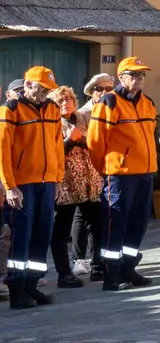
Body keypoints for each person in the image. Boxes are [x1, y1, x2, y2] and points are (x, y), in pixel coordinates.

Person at [88, 57, 160, 291]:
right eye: (135, 74)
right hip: (119, 175)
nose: (139, 79)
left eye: (142, 75)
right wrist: (105, 169)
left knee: (138, 224)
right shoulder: (109, 102)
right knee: (115, 224)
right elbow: (95, 142)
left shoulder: (147, 103)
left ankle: (128, 268)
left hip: (145, 173)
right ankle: (111, 275)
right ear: (122, 77)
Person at [2, 67, 64, 309]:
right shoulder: (11, 110)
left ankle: (31, 284)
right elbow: (2, 152)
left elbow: (58, 146)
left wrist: (58, 179)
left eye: (48, 89)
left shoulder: (52, 109)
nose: (45, 93)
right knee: (21, 237)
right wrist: (10, 186)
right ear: (27, 85)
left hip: (47, 182)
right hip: (23, 184)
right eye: (42, 89)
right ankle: (17, 288)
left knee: (42, 234)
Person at [50, 87, 104, 288]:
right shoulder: (52, 123)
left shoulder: (85, 118)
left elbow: (94, 144)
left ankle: (98, 267)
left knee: (97, 225)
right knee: (61, 230)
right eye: (60, 101)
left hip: (91, 181)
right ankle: (64, 274)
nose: (65, 104)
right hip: (65, 184)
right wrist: (69, 141)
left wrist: (79, 139)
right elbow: (51, 152)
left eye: (68, 100)